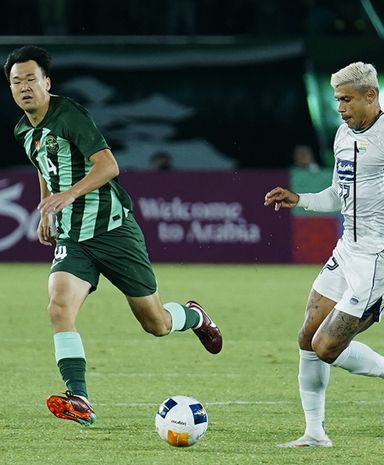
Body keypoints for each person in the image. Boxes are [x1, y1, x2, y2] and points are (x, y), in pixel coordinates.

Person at [4, 45, 222, 426]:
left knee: (155, 323)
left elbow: (108, 165)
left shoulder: (69, 114)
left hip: (113, 231)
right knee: (58, 308)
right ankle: (80, 398)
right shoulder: (24, 128)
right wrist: (45, 208)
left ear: (47, 82)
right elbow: (44, 165)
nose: (24, 87)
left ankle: (193, 316)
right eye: (16, 81)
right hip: (73, 237)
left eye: (30, 79)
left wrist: (68, 194)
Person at [264, 61, 384, 448]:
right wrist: (301, 199)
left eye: (346, 100)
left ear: (371, 96)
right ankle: (315, 432)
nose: (340, 108)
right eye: (337, 100)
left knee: (326, 346)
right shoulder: (342, 135)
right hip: (348, 252)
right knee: (307, 336)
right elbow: (340, 194)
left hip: (382, 260)